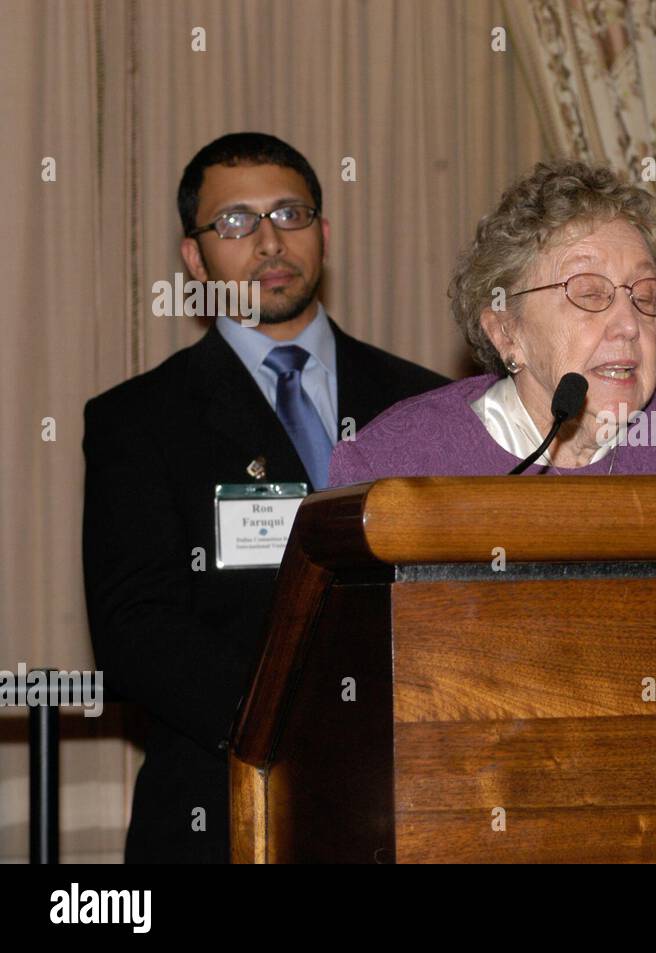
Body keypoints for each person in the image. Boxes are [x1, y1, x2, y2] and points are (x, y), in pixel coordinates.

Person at [82, 132, 448, 863]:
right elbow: (134, 630)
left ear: (325, 234)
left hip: (411, 802)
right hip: (217, 806)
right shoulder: (139, 420)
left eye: (291, 214)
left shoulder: (423, 400)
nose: (270, 241)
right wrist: (295, 719)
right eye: (236, 223)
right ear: (195, 259)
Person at [329, 159, 656, 483]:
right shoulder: (396, 462)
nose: (629, 325)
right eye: (590, 294)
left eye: (645, 295)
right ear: (505, 330)